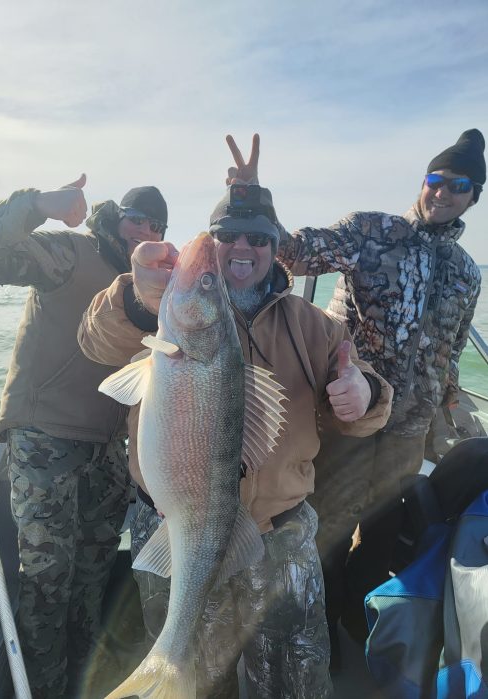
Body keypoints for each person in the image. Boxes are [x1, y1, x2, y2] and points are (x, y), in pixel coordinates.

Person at [78, 183, 393, 697]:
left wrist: (366, 392)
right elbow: (95, 343)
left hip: (278, 533)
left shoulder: (316, 328)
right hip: (172, 523)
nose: (241, 247)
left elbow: (368, 405)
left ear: (275, 247)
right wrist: (136, 296)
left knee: (294, 680)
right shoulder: (155, 310)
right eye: (227, 235)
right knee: (199, 679)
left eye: (258, 237)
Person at [226, 129, 485, 653]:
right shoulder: (372, 231)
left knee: (384, 534)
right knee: (329, 529)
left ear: (473, 197)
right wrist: (252, 197)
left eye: (459, 184)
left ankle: (359, 627)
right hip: (347, 417)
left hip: (409, 430)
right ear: (423, 181)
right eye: (437, 178)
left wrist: (448, 399)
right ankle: (317, 629)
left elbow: (454, 344)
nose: (443, 191)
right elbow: (292, 254)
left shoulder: (464, 271)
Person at [0, 176, 168, 698]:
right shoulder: (70, 256)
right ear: (116, 218)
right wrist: (34, 204)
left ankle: (84, 680)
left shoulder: (150, 289)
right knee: (48, 583)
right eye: (135, 217)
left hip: (107, 452)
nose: (142, 229)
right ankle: (45, 690)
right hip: (43, 441)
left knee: (93, 577)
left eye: (155, 224)